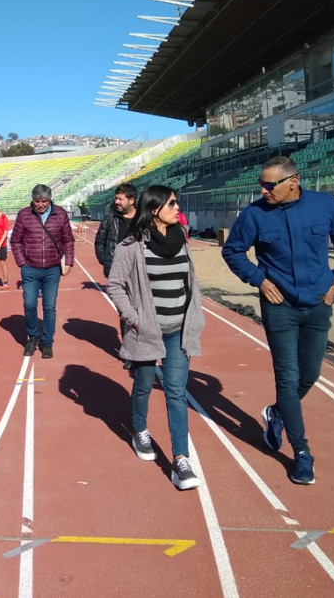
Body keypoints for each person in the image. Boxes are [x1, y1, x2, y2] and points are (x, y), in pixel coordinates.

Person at [221, 156, 334, 485]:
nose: (264, 190)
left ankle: (277, 413)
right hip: (278, 306)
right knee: (287, 377)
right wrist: (260, 280)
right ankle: (301, 452)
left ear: (293, 181)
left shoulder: (325, 206)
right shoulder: (254, 214)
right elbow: (233, 251)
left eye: (270, 185)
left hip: (318, 304)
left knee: (309, 375)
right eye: (261, 185)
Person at [106, 185, 206, 490]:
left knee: (176, 392)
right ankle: (139, 429)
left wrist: (194, 316)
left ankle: (180, 460)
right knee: (144, 385)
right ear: (154, 210)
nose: (178, 208)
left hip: (179, 330)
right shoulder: (131, 246)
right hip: (146, 331)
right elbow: (115, 285)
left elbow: (189, 283)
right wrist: (133, 317)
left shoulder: (182, 241)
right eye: (172, 204)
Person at [11, 184, 75, 359]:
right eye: (37, 201)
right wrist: (22, 263)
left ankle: (47, 341)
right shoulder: (24, 214)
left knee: (49, 307)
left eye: (43, 201)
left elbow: (68, 240)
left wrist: (68, 262)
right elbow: (15, 241)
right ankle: (32, 337)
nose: (40, 204)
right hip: (30, 268)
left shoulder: (60, 214)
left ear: (50, 199)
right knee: (30, 304)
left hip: (52, 269)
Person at [95, 183, 138, 370]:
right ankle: (129, 351)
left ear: (132, 200)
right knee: (125, 312)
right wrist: (106, 262)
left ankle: (143, 348)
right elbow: (100, 241)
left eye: (120, 199)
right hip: (117, 272)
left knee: (143, 310)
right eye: (116, 198)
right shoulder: (110, 219)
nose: (117, 202)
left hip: (140, 271)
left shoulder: (144, 219)